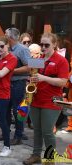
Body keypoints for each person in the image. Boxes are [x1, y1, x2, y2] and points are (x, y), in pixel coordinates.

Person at [23, 33, 69, 165]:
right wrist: (30, 81)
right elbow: (31, 75)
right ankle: (36, 155)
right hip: (36, 98)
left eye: (46, 45)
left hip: (51, 101)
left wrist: (44, 78)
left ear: (54, 44)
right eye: (41, 44)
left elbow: (62, 82)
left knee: (47, 132)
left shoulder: (62, 61)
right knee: (37, 130)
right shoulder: (38, 59)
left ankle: (50, 159)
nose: (43, 47)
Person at [5, 28, 31, 145]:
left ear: (10, 37)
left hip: (18, 83)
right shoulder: (7, 49)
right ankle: (5, 132)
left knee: (17, 110)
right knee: (6, 109)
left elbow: (29, 67)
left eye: (5, 34)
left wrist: (11, 70)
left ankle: (18, 135)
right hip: (8, 83)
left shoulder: (23, 49)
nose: (4, 36)